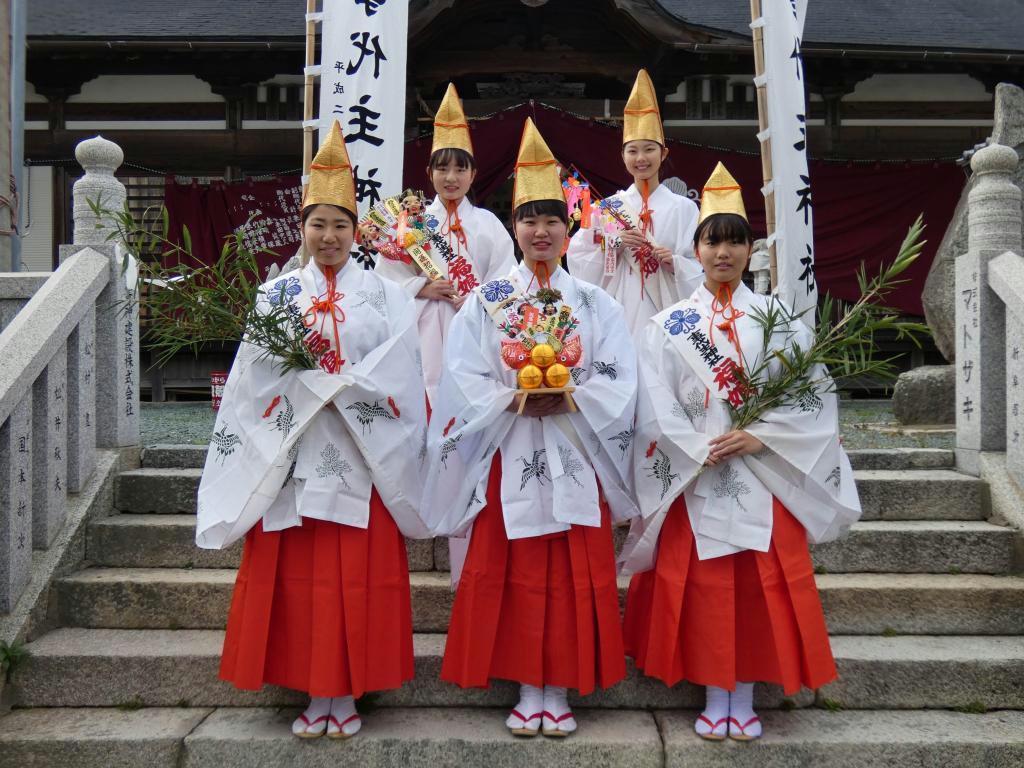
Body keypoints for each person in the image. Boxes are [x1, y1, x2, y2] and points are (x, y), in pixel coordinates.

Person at [196, 121, 430, 740]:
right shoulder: (275, 296)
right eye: (318, 224)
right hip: (295, 456)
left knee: (355, 577)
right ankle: (310, 688)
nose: (329, 237)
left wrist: (348, 392)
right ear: (302, 228)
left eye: (341, 225)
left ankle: (346, 693)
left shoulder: (388, 297)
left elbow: (404, 375)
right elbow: (254, 379)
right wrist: (304, 392)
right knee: (302, 581)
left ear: (357, 233)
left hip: (362, 451)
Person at [620, 163, 862, 741]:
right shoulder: (668, 324)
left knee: (756, 588)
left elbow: (812, 396)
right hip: (696, 469)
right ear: (696, 249)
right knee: (703, 587)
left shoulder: (779, 322)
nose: (723, 251)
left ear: (751, 248)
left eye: (734, 240)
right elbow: (652, 399)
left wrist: (761, 437)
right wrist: (694, 444)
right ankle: (712, 692)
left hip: (763, 472)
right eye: (712, 240)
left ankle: (744, 696)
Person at [422, 118, 639, 738]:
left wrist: (570, 397)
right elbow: (462, 376)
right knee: (513, 572)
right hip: (508, 448)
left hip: (574, 448)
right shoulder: (487, 301)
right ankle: (525, 686)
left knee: (570, 574)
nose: (541, 232)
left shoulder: (596, 304)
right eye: (529, 220)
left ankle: (560, 686)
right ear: (513, 228)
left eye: (551, 220)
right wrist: (512, 401)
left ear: (569, 229)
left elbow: (620, 378)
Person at [375, 82, 515, 407]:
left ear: (473, 174)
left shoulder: (488, 224)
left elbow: (507, 279)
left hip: (475, 324)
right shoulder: (411, 221)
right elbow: (386, 279)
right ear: (429, 172)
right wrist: (422, 288)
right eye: (442, 168)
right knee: (425, 402)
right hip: (424, 327)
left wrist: (477, 298)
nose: (451, 177)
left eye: (459, 169)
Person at [567, 68, 701, 337]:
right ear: (623, 155)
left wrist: (674, 262)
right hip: (620, 306)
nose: (641, 158)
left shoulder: (685, 208)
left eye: (649, 149)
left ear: (663, 153)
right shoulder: (606, 209)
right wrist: (613, 246)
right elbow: (578, 257)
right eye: (633, 150)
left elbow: (700, 262)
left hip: (668, 305)